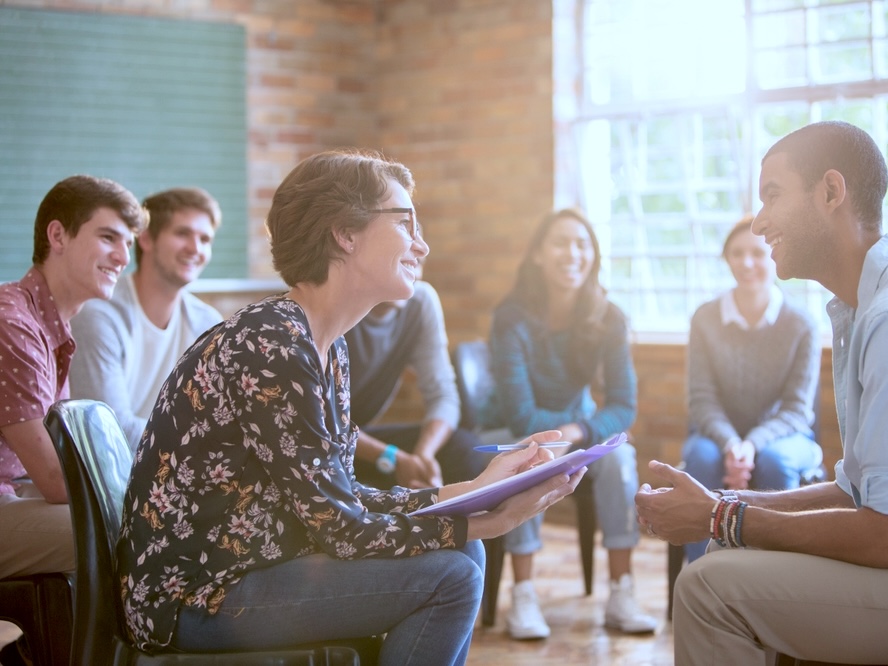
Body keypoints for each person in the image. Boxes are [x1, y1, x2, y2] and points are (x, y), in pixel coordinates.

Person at [115, 149, 584, 665]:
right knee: (452, 574)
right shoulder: (271, 343)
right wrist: (488, 521)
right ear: (345, 232)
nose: (421, 244)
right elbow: (341, 529)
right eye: (405, 223)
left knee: (460, 552)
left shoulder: (324, 345)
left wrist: (475, 492)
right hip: (194, 595)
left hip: (252, 566)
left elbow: (342, 499)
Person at [635, 121, 888, 665]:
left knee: (707, 589)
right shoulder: (865, 304)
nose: (758, 224)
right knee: (724, 550)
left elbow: (885, 537)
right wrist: (724, 506)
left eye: (772, 197)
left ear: (831, 192)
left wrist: (719, 517)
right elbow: (858, 490)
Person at [483, 208, 658, 640]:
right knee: (534, 458)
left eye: (582, 244)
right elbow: (522, 416)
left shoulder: (608, 317)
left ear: (593, 256)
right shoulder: (511, 319)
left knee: (621, 460)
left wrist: (579, 433)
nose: (572, 253)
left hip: (579, 430)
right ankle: (522, 593)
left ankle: (621, 590)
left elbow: (623, 406)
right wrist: (570, 434)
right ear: (539, 255)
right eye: (560, 242)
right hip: (515, 433)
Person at [0, 174, 143, 583]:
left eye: (127, 244)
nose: (122, 257)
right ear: (58, 235)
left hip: (13, 490)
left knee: (134, 517)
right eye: (108, 238)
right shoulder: (14, 323)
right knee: (132, 531)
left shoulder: (50, 323)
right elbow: (54, 480)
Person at [680, 214, 821, 565]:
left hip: (785, 437)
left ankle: (776, 573)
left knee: (774, 462)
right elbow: (702, 399)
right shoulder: (705, 319)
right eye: (737, 253)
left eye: (757, 254)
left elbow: (796, 409)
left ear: (773, 255)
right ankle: (702, 573)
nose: (747, 263)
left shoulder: (802, 324)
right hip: (717, 436)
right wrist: (731, 443)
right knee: (701, 458)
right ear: (726, 258)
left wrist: (751, 445)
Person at [69, 187, 223, 451]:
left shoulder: (207, 323)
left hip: (172, 474)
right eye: (182, 233)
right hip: (106, 482)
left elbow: (214, 418)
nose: (195, 248)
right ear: (147, 239)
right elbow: (109, 432)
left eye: (205, 239)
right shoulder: (98, 314)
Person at [346, 258, 482, 489]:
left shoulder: (419, 300)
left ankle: (459, 526)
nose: (415, 273)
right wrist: (392, 458)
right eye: (403, 260)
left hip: (360, 437)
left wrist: (423, 455)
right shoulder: (335, 303)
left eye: (418, 262)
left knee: (463, 449)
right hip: (317, 440)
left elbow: (444, 395)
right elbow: (319, 421)